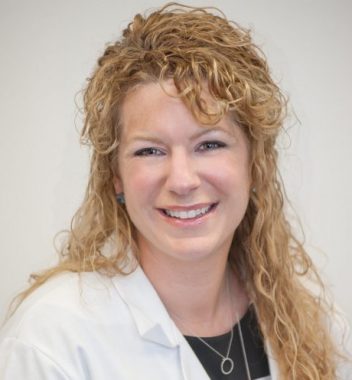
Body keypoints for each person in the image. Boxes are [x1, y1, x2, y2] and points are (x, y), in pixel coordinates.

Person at [0, 3, 349, 379]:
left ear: (254, 163)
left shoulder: (307, 320)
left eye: (210, 144)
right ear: (115, 177)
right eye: (150, 151)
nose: (182, 181)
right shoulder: (52, 341)